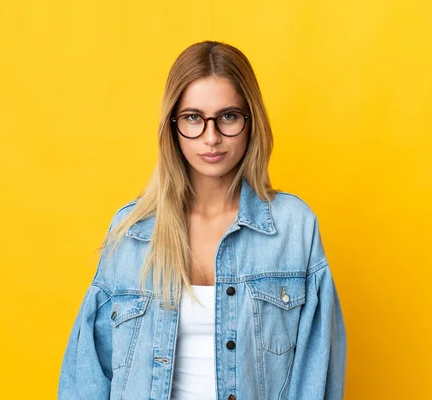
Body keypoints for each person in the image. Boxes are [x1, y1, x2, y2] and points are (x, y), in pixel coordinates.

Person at [58, 40, 347, 400]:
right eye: (194, 118)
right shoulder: (132, 232)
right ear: (173, 125)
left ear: (251, 121)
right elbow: (87, 374)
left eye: (228, 116)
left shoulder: (293, 229)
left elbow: (316, 375)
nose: (211, 138)